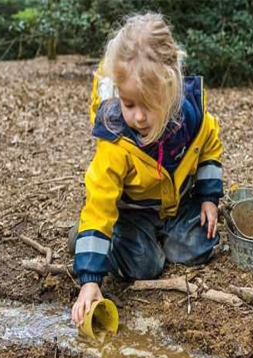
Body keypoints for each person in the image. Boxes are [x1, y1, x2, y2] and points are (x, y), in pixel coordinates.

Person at [71, 13, 223, 326]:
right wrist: (90, 280)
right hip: (132, 213)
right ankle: (89, 244)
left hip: (174, 206)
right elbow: (100, 203)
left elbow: (209, 145)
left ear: (170, 89)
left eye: (148, 104)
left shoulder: (191, 117)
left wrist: (209, 196)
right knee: (146, 265)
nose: (138, 117)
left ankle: (157, 239)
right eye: (129, 104)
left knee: (203, 243)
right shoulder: (115, 141)